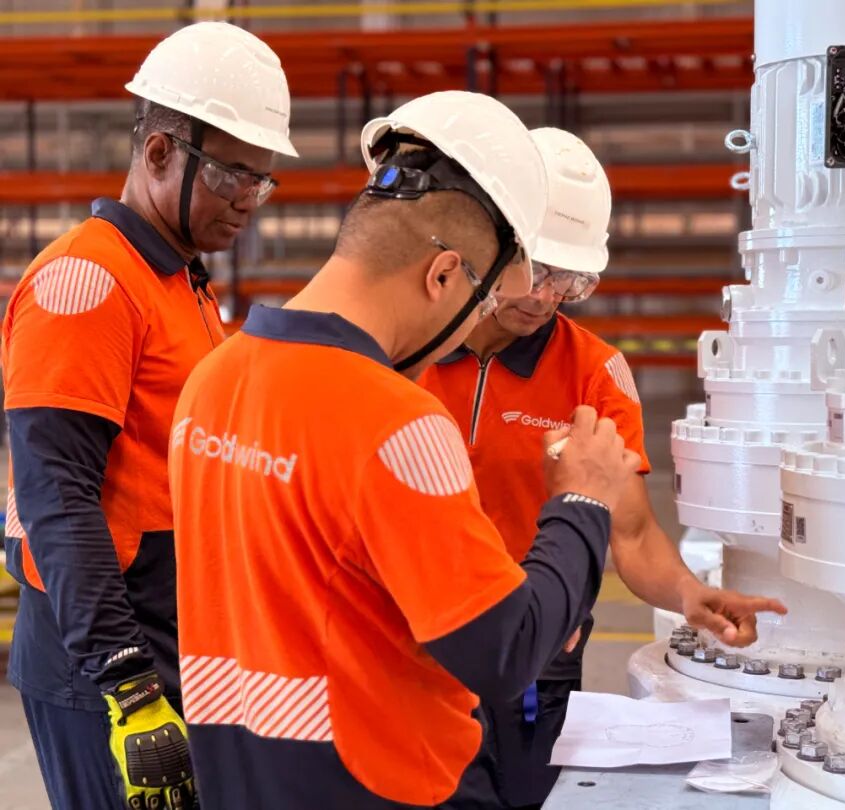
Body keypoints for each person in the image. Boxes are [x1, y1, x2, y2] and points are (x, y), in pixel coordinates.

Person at [167, 90, 641, 809]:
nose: (471, 329)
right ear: (443, 274)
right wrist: (582, 499)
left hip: (243, 779)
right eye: (480, 304)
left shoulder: (213, 378)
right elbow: (504, 650)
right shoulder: (396, 420)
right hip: (391, 783)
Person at [418, 127, 787, 808]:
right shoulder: (412, 344)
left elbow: (633, 532)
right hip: (417, 645)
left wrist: (687, 593)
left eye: (570, 281)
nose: (544, 296)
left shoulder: (594, 373)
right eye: (536, 268)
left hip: (535, 650)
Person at [2, 22, 297, 810]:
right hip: (105, 660)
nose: (249, 199)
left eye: (262, 179)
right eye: (234, 174)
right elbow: (57, 495)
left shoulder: (178, 282)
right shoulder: (86, 281)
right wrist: (127, 683)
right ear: (160, 152)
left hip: (163, 633)